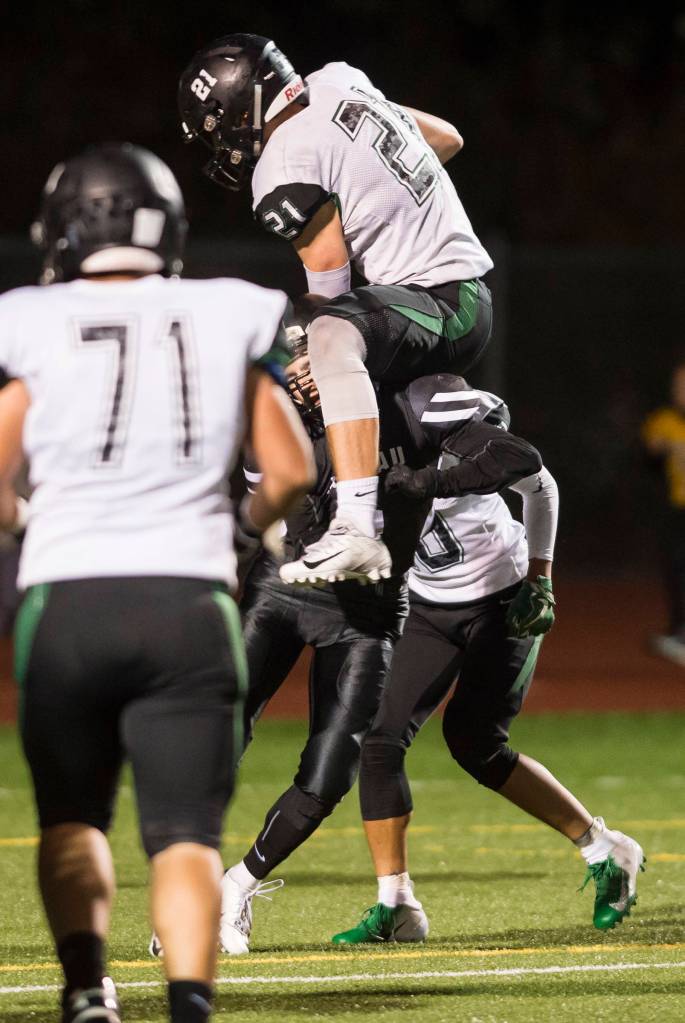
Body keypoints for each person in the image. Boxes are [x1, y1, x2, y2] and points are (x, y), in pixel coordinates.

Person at [0, 143, 314, 1023]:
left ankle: (86, 990)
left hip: (70, 600)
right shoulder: (225, 311)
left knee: (73, 819)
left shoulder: (30, 317)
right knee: (183, 834)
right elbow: (286, 469)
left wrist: (33, 528)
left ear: (66, 231)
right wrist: (240, 531)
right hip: (189, 599)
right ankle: (187, 1002)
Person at [212, 309, 545, 955]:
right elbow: (262, 514)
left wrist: (427, 479)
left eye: (316, 352)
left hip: (367, 612)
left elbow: (516, 456)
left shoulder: (410, 402)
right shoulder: (271, 415)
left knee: (328, 774)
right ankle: (189, 882)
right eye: (297, 356)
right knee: (216, 728)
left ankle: (238, 883)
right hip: (284, 589)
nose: (305, 369)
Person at [178, 34, 493, 584]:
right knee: (311, 348)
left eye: (218, 124)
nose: (221, 140)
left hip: (445, 301)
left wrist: (313, 354)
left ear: (243, 107)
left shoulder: (281, 161)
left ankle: (346, 525)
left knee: (308, 345)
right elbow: (445, 139)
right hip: (449, 297)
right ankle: (275, 531)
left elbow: (330, 282)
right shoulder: (338, 80)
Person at [331, 455, 645, 943]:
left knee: (475, 741)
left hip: (503, 597)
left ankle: (603, 847)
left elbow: (540, 484)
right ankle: (396, 903)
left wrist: (540, 575)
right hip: (427, 604)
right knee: (379, 740)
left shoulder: (451, 418)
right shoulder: (353, 432)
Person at [642, 362, 685, 665]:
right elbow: (650, 457)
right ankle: (681, 632)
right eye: (677, 385)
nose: (680, 391)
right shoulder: (664, 420)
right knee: (677, 570)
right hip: (678, 506)